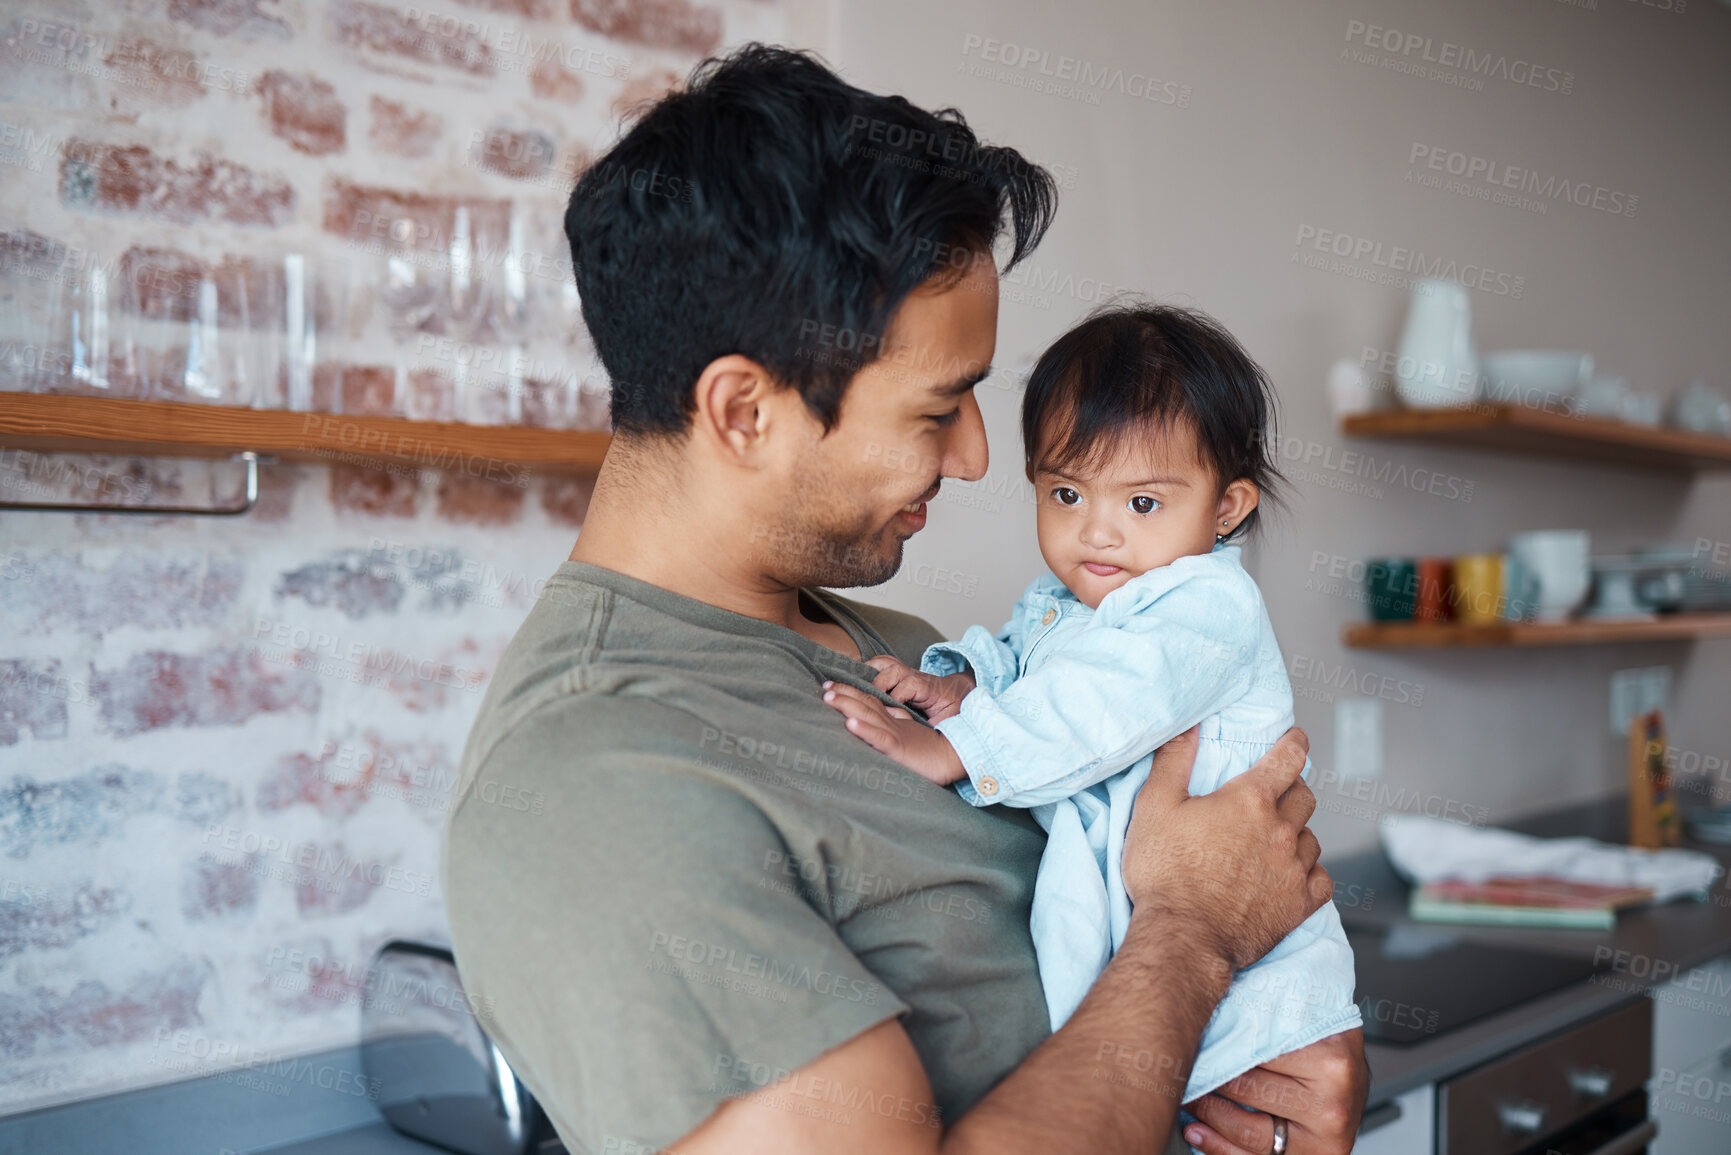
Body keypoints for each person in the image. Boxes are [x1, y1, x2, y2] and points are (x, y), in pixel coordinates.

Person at [441, 45, 1367, 1155]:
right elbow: (1187, 914)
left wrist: (1262, 1075)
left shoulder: (909, 655)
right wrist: (1197, 932)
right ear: (743, 411)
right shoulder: (597, 781)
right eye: (941, 410)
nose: (980, 459)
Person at [820, 303, 1363, 1107]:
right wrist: (960, 689)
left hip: (1254, 987)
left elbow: (1104, 698)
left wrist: (961, 749)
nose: (1096, 532)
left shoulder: (1205, 606)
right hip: (1156, 945)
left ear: (1226, 507)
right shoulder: (1069, 602)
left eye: (1141, 503)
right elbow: (1030, 667)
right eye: (1067, 492)